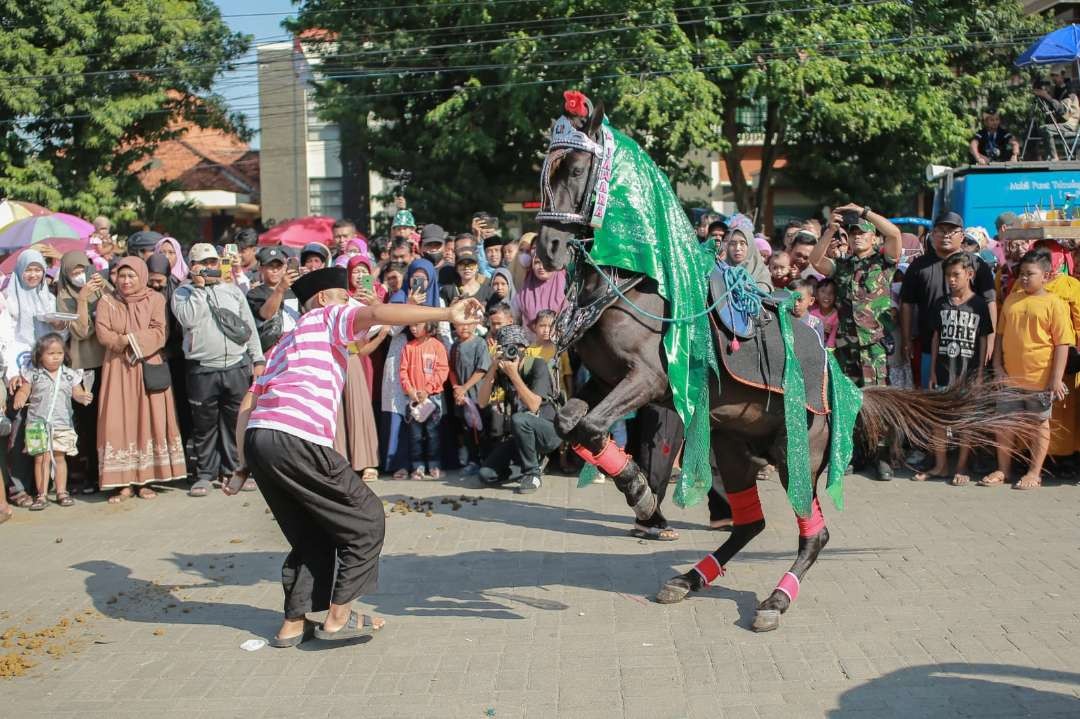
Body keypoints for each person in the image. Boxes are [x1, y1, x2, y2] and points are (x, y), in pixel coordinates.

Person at [231, 266, 483, 646]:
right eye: (344, 296)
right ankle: (338, 617)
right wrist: (446, 313)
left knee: (312, 532)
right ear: (322, 299)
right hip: (299, 436)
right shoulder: (328, 316)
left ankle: (293, 624)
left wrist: (241, 464)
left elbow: (248, 402)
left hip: (260, 439)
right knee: (366, 519)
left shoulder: (286, 341)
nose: (352, 303)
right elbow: (379, 313)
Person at [809, 202, 902, 480]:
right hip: (847, 347)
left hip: (875, 347)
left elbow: (895, 234)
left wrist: (865, 212)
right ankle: (854, 455)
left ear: (873, 237)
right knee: (848, 404)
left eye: (862, 232)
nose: (857, 235)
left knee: (879, 404)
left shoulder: (884, 263)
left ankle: (882, 458)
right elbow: (816, 261)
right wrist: (830, 231)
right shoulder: (844, 266)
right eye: (853, 232)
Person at [172, 243, 264, 497]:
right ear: (192, 267)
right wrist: (200, 289)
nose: (209, 267)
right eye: (203, 263)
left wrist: (258, 359)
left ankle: (236, 470)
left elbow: (248, 327)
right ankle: (204, 474)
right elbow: (189, 319)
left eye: (213, 262)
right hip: (202, 368)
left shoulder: (232, 291)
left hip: (236, 365)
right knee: (204, 424)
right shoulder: (182, 293)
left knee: (236, 422)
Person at [95, 257, 187, 501]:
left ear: (142, 276)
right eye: (121, 276)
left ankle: (146, 480)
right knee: (118, 420)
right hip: (117, 368)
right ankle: (123, 483)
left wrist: (128, 340)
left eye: (131, 276)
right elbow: (103, 332)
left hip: (147, 365)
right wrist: (122, 342)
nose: (125, 281)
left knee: (148, 418)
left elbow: (160, 331)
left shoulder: (156, 299)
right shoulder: (107, 301)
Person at [981, 249, 1074, 490]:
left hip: (1040, 379)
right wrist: (998, 366)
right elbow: (1000, 335)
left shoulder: (1055, 303)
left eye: (1030, 274)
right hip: (1010, 377)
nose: (1024, 278)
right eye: (1021, 273)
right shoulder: (1013, 298)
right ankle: (1003, 469)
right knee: (1005, 424)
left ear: (1046, 276)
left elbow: (1062, 344)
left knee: (1038, 425)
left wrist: (1055, 379)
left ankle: (1035, 472)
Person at [914, 252, 994, 485]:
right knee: (939, 421)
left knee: (965, 422)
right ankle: (940, 466)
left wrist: (980, 373)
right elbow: (936, 337)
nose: (951, 279)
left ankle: (961, 467)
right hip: (942, 372)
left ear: (969, 275)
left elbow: (982, 339)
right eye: (947, 275)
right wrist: (931, 373)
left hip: (967, 374)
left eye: (956, 274)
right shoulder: (941, 303)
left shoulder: (979, 305)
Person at [901, 211, 997, 388]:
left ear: (962, 236)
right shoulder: (918, 265)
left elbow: (990, 302)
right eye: (941, 230)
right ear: (933, 234)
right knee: (934, 404)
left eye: (951, 231)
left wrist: (991, 341)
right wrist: (906, 339)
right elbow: (907, 303)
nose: (946, 235)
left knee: (967, 406)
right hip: (930, 349)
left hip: (971, 352)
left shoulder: (976, 265)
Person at [3, 250, 61, 508]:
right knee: (17, 432)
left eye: (38, 269)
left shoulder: (47, 298)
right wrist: (13, 372)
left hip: (45, 373)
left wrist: (61, 326)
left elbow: (57, 339)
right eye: (29, 269)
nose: (34, 274)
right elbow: (6, 340)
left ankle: (41, 487)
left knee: (41, 429)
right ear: (19, 270)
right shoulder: (8, 300)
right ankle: (17, 488)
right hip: (18, 370)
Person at [476, 324, 561, 494]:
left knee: (519, 419)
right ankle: (521, 468)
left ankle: (533, 474)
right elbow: (482, 402)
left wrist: (514, 375)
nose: (512, 352)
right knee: (486, 474)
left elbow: (534, 405)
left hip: (549, 431)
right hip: (521, 434)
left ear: (525, 348)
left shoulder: (537, 365)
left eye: (516, 347)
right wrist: (492, 368)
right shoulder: (502, 370)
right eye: (507, 348)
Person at [13, 333, 92, 510]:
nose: (56, 357)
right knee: (41, 459)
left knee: (59, 457)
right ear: (39, 355)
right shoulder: (33, 374)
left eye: (59, 353)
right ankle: (41, 494)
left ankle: (62, 491)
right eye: (51, 353)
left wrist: (82, 397)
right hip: (37, 425)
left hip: (61, 424)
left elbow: (77, 393)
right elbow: (25, 390)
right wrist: (20, 396)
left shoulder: (70, 375)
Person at [55, 251, 110, 493]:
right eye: (74, 272)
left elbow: (116, 312)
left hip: (108, 362)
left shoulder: (100, 286)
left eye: (82, 270)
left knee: (108, 421)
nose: (79, 276)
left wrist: (104, 287)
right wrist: (82, 299)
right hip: (83, 368)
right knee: (88, 425)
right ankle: (91, 474)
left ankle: (110, 472)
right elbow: (80, 331)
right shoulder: (64, 297)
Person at [399, 321, 449, 481]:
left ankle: (434, 464)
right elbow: (403, 371)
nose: (413, 327)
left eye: (418, 324)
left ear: (429, 325)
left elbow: (443, 370)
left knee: (433, 433)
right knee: (415, 435)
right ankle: (417, 466)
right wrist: (410, 390)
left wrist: (428, 389)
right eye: (411, 325)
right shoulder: (409, 347)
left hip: (432, 398)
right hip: (414, 398)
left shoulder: (437, 346)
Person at [449, 301, 491, 476]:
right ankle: (472, 459)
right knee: (466, 429)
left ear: (475, 324)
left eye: (468, 323)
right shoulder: (454, 346)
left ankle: (485, 460)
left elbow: (482, 369)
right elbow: (451, 369)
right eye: (460, 324)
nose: (464, 327)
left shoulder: (480, 343)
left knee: (482, 428)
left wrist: (465, 387)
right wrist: (456, 388)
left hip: (477, 394)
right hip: (462, 397)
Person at [246, 247, 300, 354]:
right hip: (270, 349)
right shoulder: (255, 293)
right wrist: (280, 289)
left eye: (278, 266)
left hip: (294, 345)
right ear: (261, 269)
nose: (275, 270)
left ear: (284, 268)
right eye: (270, 266)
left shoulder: (296, 291)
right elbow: (266, 315)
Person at [719, 214, 772, 291]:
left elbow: (765, 289)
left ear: (750, 246)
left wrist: (746, 289)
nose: (737, 248)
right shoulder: (721, 268)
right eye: (733, 243)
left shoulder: (760, 269)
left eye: (742, 243)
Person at [788, 279, 824, 344]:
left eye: (800, 300)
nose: (796, 304)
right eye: (792, 299)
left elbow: (819, 349)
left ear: (811, 301)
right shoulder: (784, 319)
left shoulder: (816, 323)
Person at [810, 277, 839, 349]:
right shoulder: (812, 314)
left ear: (835, 297)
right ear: (816, 295)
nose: (827, 295)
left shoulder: (838, 316)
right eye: (823, 291)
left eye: (831, 292)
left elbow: (831, 344)